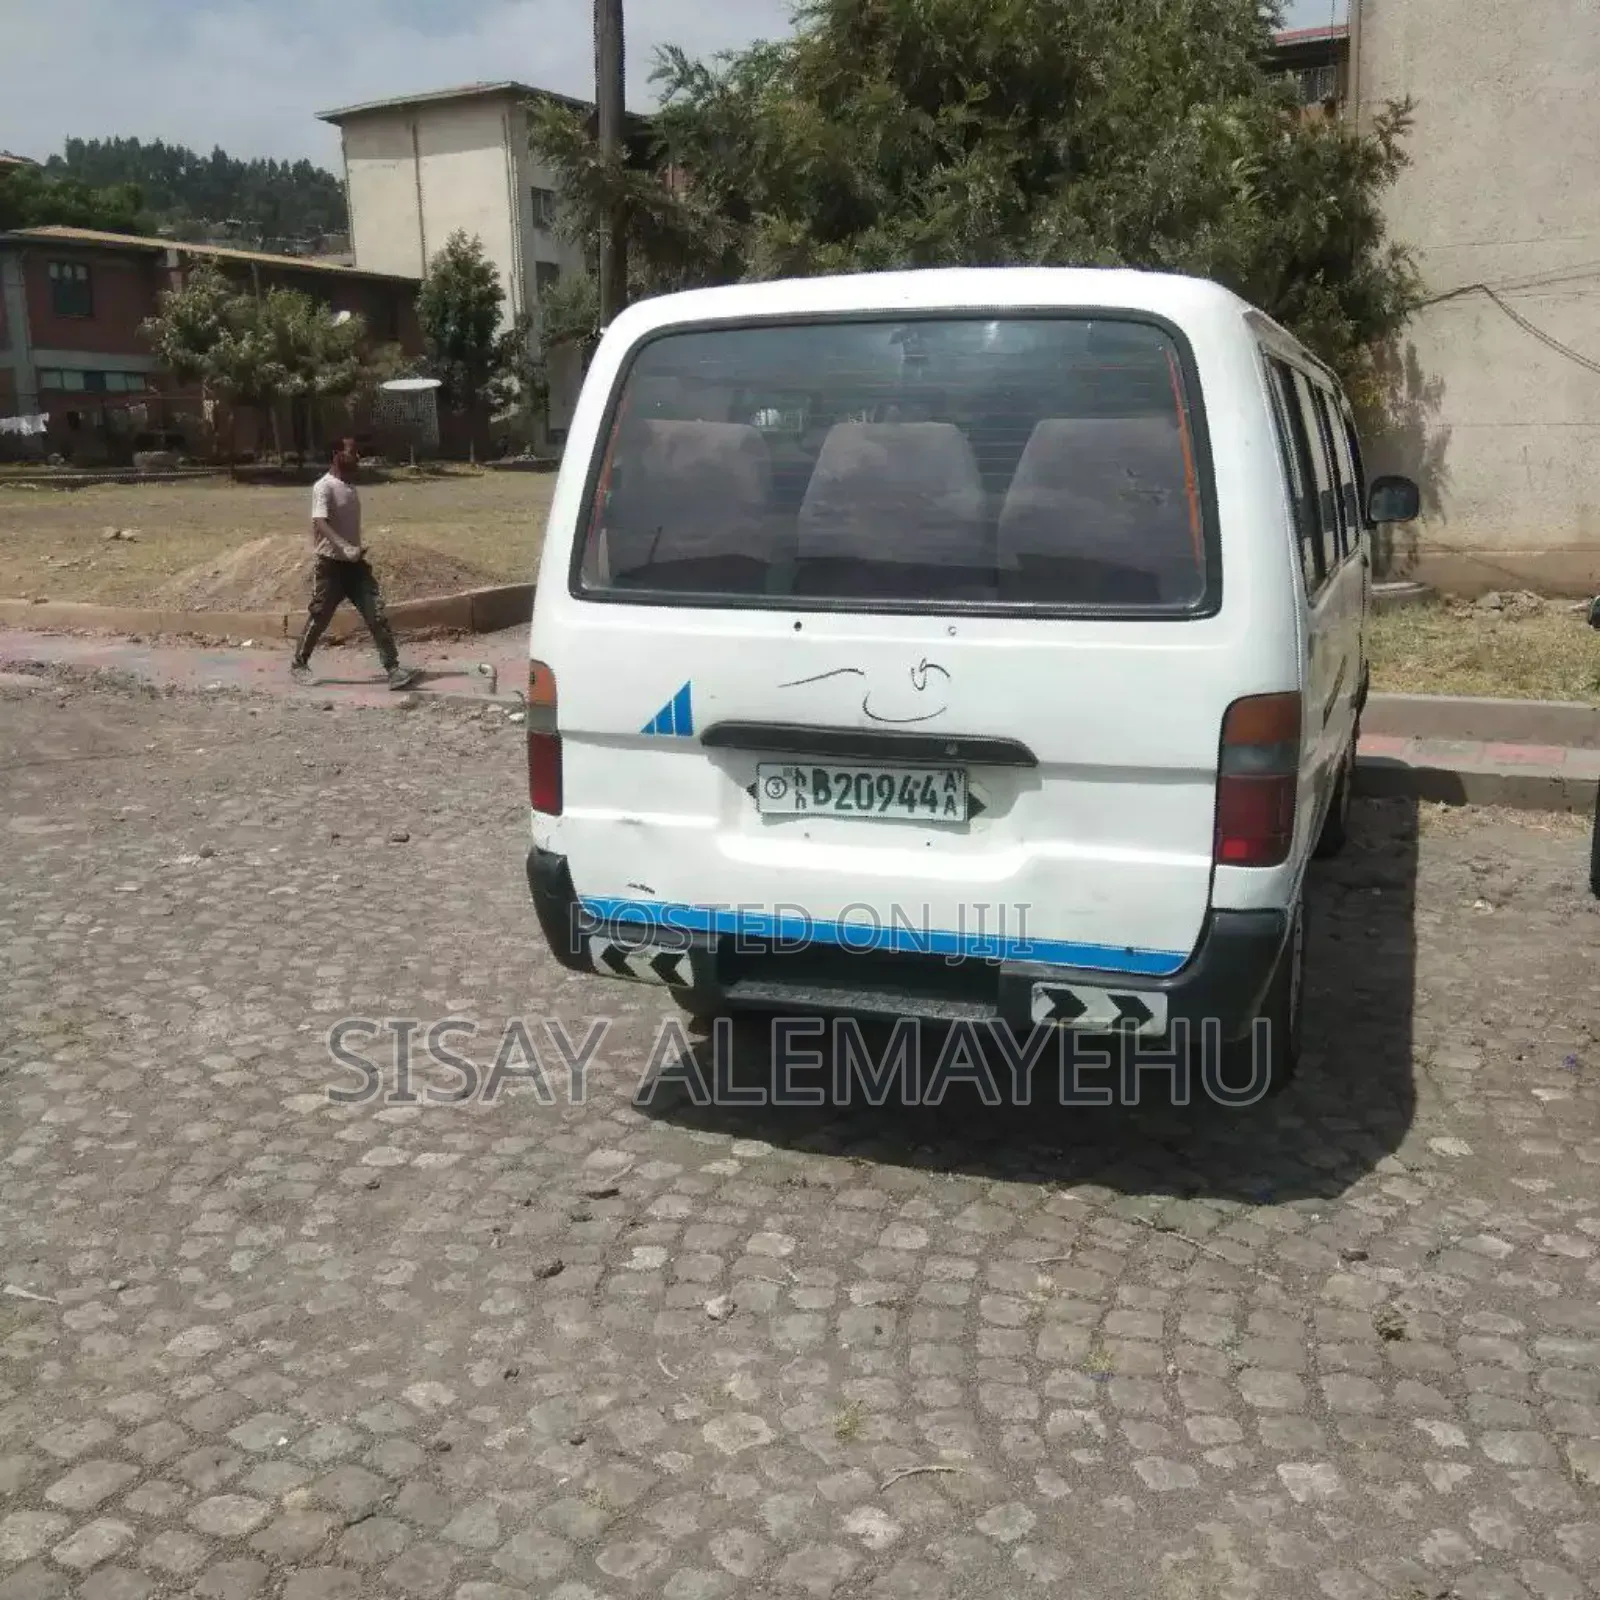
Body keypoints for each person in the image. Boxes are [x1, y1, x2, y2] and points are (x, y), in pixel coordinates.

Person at [290, 438, 418, 688]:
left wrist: (354, 550)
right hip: (331, 566)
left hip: (355, 565)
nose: (357, 456)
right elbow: (320, 522)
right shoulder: (323, 487)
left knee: (376, 614)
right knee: (319, 617)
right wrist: (344, 546)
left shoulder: (350, 487)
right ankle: (299, 664)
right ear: (337, 453)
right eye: (351, 452)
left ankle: (393, 669)